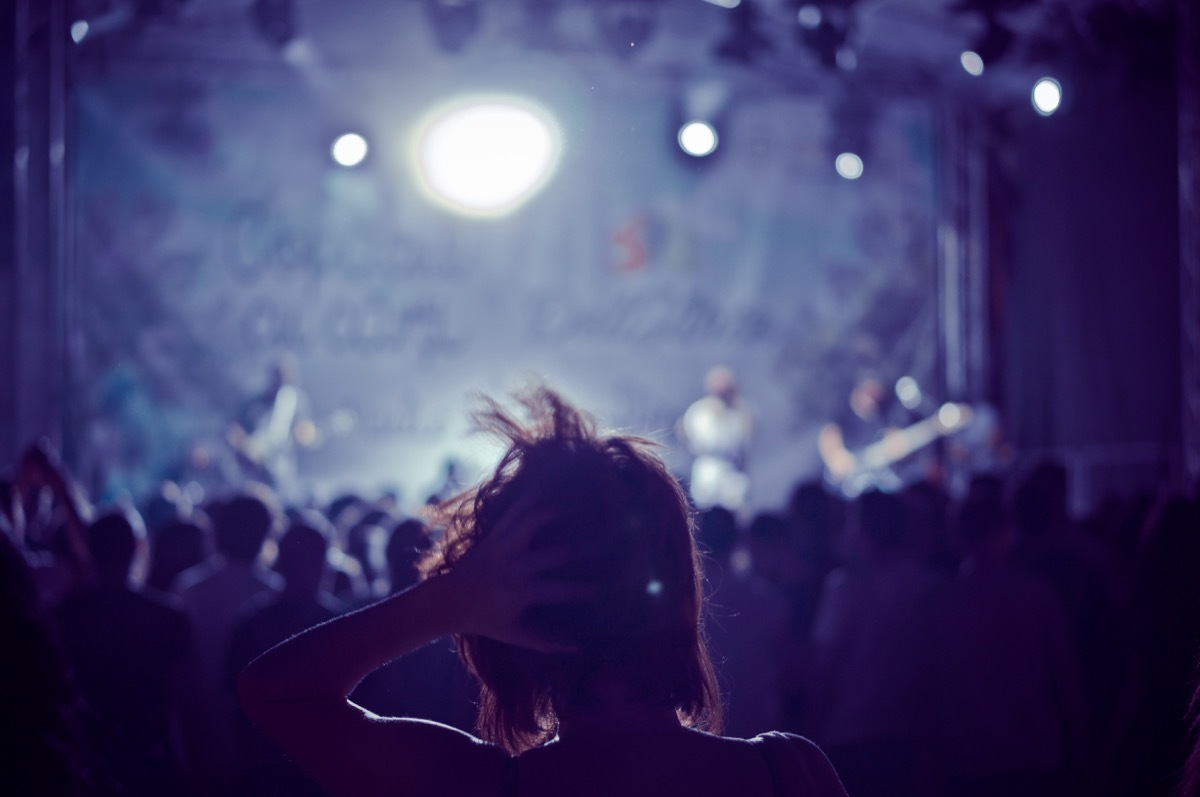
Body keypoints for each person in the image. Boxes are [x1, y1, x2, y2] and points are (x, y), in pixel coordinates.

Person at [238, 386, 847, 797]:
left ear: (506, 630)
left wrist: (451, 599)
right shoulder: (789, 775)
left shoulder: (482, 787)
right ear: (680, 593)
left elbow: (276, 694)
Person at [678, 366, 755, 511]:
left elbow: (746, 441)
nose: (723, 389)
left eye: (727, 385)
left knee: (736, 512)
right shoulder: (699, 411)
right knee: (707, 512)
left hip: (733, 472)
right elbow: (695, 440)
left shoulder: (742, 412)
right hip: (708, 470)